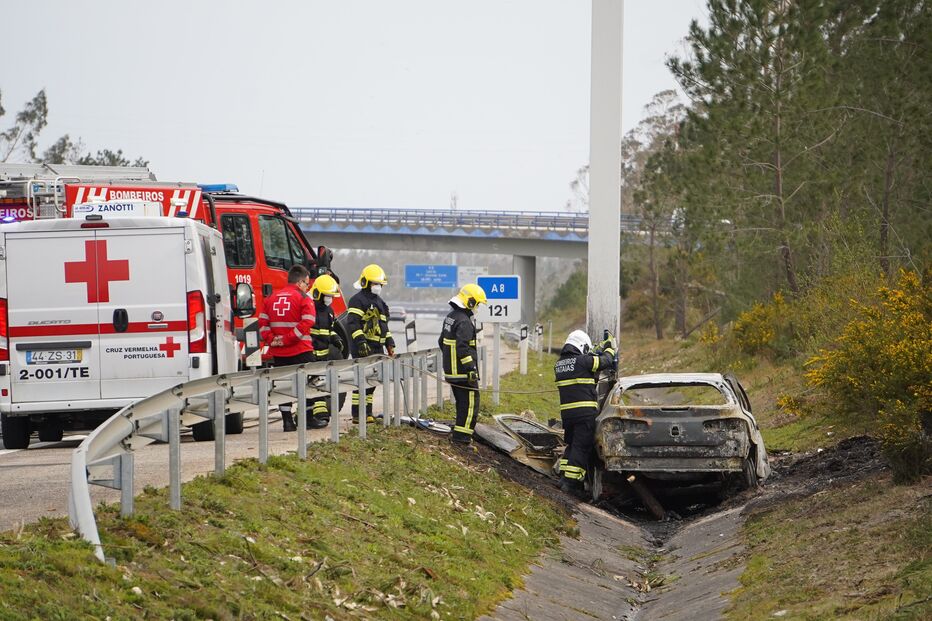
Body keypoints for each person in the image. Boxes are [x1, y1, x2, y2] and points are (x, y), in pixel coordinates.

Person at [554, 329, 616, 495]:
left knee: (573, 445)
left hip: (567, 414)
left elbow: (585, 375)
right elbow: (605, 361)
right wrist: (610, 348)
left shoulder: (559, 364)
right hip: (584, 413)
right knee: (581, 447)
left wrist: (594, 351)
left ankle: (563, 478)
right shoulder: (583, 361)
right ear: (581, 346)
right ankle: (571, 483)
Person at [258, 265, 316, 432]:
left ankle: (287, 422)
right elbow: (308, 322)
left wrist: (273, 340)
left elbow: (262, 324)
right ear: (300, 282)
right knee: (308, 385)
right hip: (301, 350)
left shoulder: (271, 298)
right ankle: (306, 419)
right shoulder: (303, 298)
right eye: (307, 283)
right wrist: (288, 339)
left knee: (283, 387)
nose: (308, 287)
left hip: (279, 353)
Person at [345, 264, 395, 423]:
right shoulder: (357, 300)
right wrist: (361, 342)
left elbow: (384, 326)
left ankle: (367, 413)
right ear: (366, 282)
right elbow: (353, 324)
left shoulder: (380, 302)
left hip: (377, 347)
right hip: (361, 347)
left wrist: (389, 343)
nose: (378, 287)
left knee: (371, 381)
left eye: (379, 284)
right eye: (375, 283)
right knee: (361, 381)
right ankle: (357, 415)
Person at [439, 283, 487, 445]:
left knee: (462, 404)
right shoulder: (465, 322)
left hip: (452, 373)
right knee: (470, 405)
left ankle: (459, 436)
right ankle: (462, 439)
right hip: (463, 373)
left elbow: (441, 342)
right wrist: (470, 369)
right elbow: (463, 348)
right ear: (470, 302)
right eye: (478, 304)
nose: (477, 308)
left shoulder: (451, 317)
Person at [307, 274, 344, 429]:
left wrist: (336, 338)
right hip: (310, 354)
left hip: (323, 356)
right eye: (327, 296)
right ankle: (311, 416)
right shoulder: (309, 308)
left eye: (330, 296)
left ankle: (319, 415)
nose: (329, 299)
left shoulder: (329, 311)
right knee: (310, 386)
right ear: (317, 294)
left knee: (319, 384)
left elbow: (329, 330)